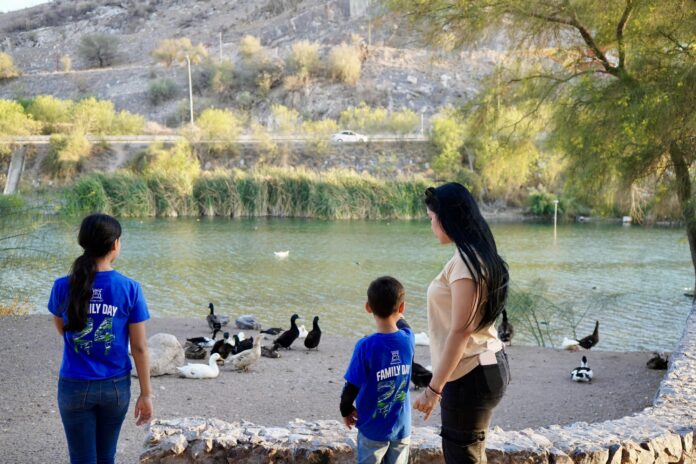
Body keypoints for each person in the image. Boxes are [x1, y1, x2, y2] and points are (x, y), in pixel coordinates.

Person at [413, 183, 511, 464]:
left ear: (447, 218)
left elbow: (460, 331)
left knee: (462, 456)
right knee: (470, 452)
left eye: (432, 219)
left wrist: (434, 390)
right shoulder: (477, 254)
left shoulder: (466, 264)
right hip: (485, 364)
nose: (431, 226)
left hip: (471, 373)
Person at [48, 213, 153, 464]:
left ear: (83, 242)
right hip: (115, 387)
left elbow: (63, 330)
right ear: (115, 244)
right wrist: (146, 394)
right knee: (106, 456)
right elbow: (139, 347)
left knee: (82, 459)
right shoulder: (130, 288)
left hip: (74, 384)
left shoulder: (62, 286)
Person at [340, 276, 415, 464]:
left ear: (368, 307)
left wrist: (345, 409)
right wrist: (398, 312)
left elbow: (351, 387)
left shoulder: (366, 346)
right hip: (401, 428)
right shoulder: (408, 339)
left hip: (372, 430)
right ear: (402, 308)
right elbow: (405, 324)